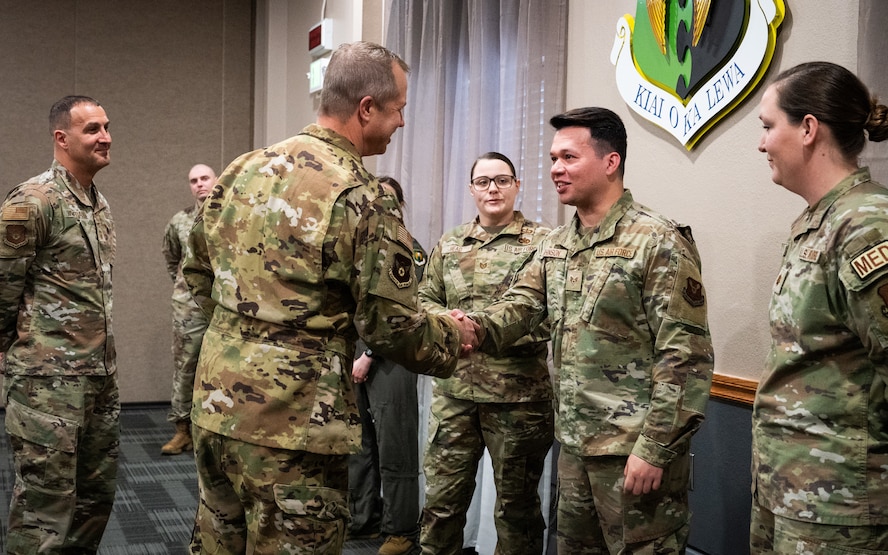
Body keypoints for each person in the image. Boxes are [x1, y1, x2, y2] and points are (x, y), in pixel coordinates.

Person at [181, 41, 476, 554]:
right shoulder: (360, 196)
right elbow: (392, 328)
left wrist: (247, 340)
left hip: (216, 402)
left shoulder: (243, 168)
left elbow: (197, 273)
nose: (402, 122)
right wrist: (455, 334)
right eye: (399, 108)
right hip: (293, 424)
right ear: (367, 108)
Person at [466, 107, 714, 554]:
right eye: (553, 158)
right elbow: (520, 307)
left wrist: (655, 448)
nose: (555, 169)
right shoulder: (556, 245)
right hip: (576, 449)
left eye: (568, 157)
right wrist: (465, 328)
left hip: (632, 454)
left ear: (610, 161)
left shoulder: (657, 240)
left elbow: (684, 357)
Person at [750, 61, 888, 553]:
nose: (762, 143)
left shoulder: (866, 227)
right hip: (792, 490)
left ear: (808, 128)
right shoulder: (818, 222)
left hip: (843, 507)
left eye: (768, 127)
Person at [418, 152, 554, 555]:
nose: (492, 189)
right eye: (483, 181)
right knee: (441, 505)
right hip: (454, 395)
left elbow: (547, 312)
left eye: (501, 180)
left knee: (517, 512)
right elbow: (424, 298)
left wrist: (476, 327)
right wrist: (449, 320)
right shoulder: (450, 243)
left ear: (516, 185)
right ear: (471, 189)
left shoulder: (543, 243)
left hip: (517, 399)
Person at [0, 95, 118, 552]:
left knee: (93, 502)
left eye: (107, 127)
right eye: (92, 129)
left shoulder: (97, 203)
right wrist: (23, 360)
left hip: (99, 380)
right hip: (47, 386)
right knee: (43, 516)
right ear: (61, 138)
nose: (105, 137)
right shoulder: (33, 201)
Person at [348, 176, 426, 555]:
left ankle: (401, 529)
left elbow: (404, 313)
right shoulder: (357, 245)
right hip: (353, 355)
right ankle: (363, 518)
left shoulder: (410, 251)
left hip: (391, 357)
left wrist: (369, 355)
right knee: (358, 444)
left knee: (395, 447)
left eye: (388, 201)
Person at [160, 164, 215, 455]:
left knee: (221, 369)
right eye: (193, 180)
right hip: (189, 308)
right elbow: (171, 258)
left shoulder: (230, 216)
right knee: (186, 367)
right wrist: (185, 288)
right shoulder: (180, 221)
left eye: (205, 178)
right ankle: (182, 430)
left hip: (224, 306)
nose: (199, 184)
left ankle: (212, 432)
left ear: (216, 181)